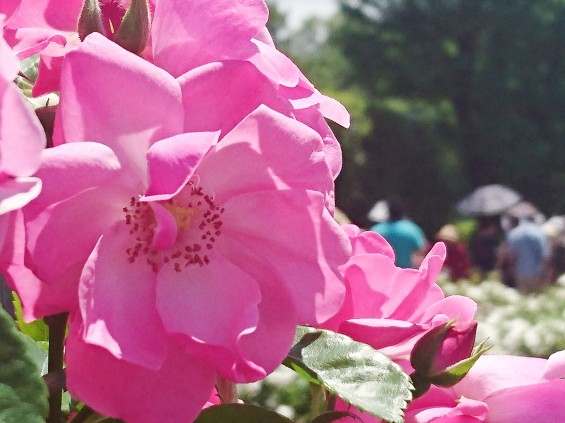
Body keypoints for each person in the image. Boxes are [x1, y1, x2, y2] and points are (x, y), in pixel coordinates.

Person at [498, 215, 551, 293]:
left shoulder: (514, 233)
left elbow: (511, 257)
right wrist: (546, 276)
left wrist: (511, 272)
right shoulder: (540, 233)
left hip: (520, 273)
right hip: (537, 273)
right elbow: (545, 256)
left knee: (523, 301)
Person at [370, 197, 427, 268]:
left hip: (382, 272)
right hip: (405, 272)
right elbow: (421, 250)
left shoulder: (377, 230)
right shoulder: (411, 229)